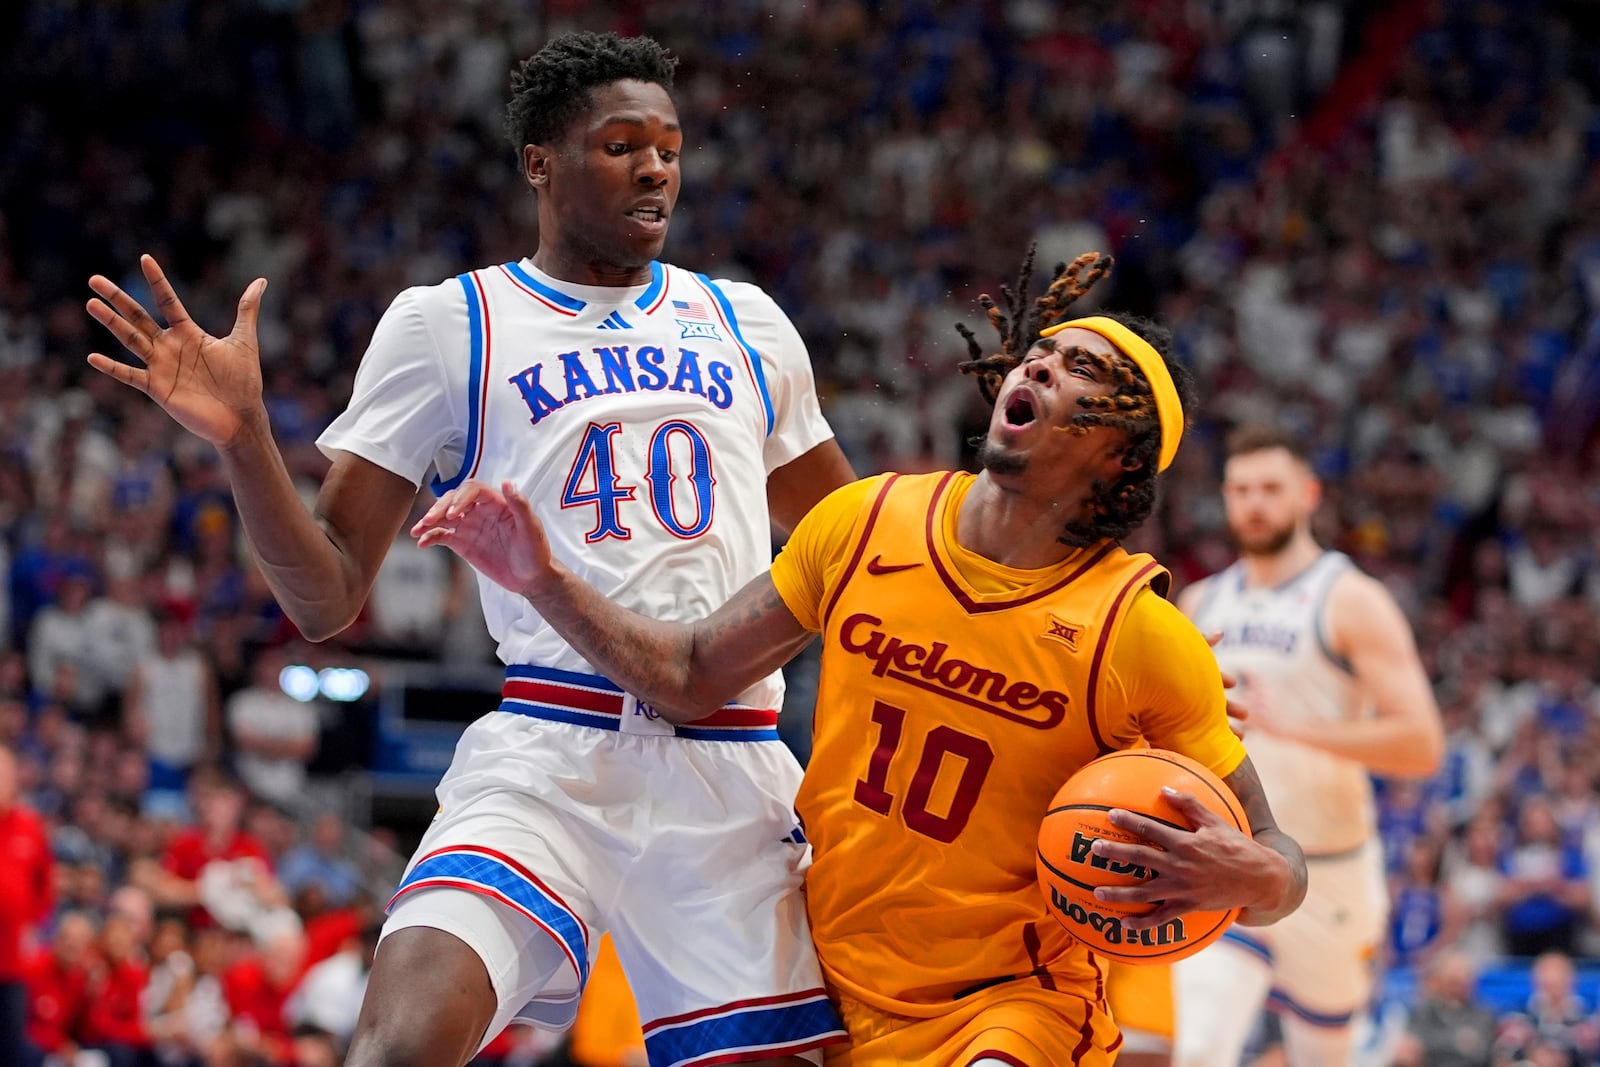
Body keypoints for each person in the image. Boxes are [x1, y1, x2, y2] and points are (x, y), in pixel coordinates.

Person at [85, 31, 854, 1067]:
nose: (656, 167)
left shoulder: (749, 322)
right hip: (547, 752)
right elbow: (325, 596)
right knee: (398, 1044)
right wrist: (246, 439)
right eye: (621, 143)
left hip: (728, 764)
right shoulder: (450, 324)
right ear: (539, 159)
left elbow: (860, 548)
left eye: (668, 144)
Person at [413, 249, 1309, 1066]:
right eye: (1042, 351)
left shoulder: (1142, 634)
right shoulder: (865, 521)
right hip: (828, 985)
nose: (1041, 364)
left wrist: (1253, 873)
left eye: (1084, 370)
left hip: (1009, 1008)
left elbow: (1278, 860)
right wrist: (543, 579)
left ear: (1121, 453)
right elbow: (687, 679)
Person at [1164, 424, 1444, 1067]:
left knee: (1325, 1057)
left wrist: (1292, 728)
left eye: (1270, 488)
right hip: (1235, 858)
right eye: (1240, 490)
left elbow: (1422, 744)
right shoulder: (1202, 601)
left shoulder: (1351, 600)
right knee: (1200, 1046)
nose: (1254, 504)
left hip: (1330, 872)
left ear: (1308, 495)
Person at [1, 744, 54, 1067]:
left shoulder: (29, 825)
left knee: (11, 1048)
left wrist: (35, 924)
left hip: (12, 964)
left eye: (4, 774)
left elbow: (44, 883)